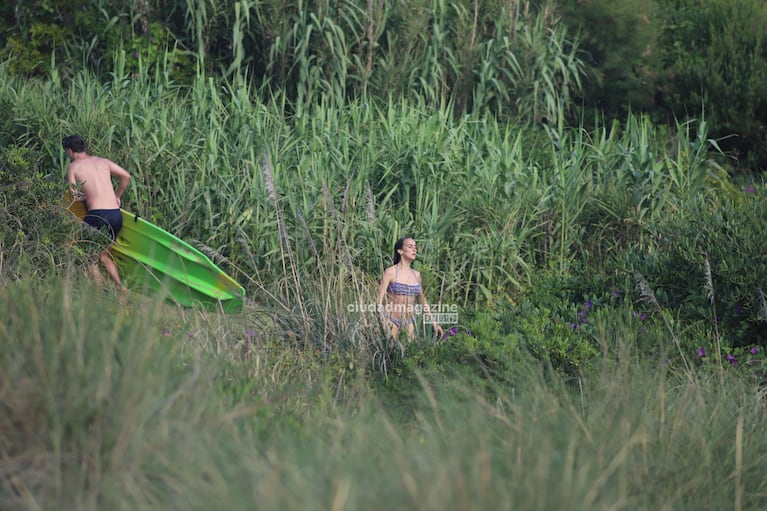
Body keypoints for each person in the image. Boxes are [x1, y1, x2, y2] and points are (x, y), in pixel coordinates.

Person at [63, 134, 131, 293]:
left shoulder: (73, 167)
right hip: (116, 214)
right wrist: (117, 196)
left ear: (70, 150)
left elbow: (74, 196)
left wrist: (87, 199)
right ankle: (121, 289)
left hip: (97, 215)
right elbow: (126, 176)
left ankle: (100, 295)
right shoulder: (103, 162)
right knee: (103, 254)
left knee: (87, 257)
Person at [376, 237, 443, 340]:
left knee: (410, 353)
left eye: (415, 247)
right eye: (410, 246)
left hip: (409, 322)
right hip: (391, 320)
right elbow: (379, 300)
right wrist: (382, 320)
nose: (414, 249)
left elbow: (422, 300)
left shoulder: (416, 275)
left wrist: (434, 322)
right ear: (400, 251)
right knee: (393, 352)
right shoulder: (390, 272)